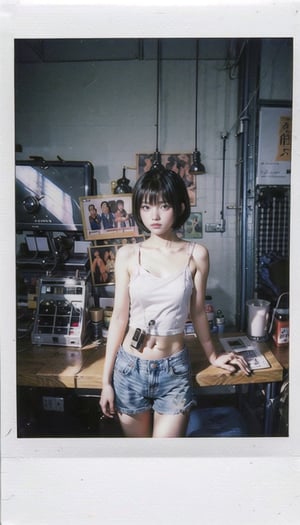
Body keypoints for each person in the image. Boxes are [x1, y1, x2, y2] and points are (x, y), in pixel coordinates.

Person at [99, 165, 251, 438]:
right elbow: (120, 318)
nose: (154, 215)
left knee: (166, 458)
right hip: (130, 367)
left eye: (164, 206)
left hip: (174, 368)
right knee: (140, 460)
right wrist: (105, 381)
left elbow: (198, 313)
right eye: (146, 207)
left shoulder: (197, 254)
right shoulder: (127, 254)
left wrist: (213, 355)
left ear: (180, 207)